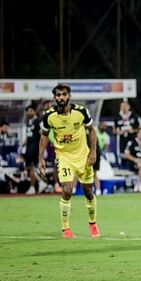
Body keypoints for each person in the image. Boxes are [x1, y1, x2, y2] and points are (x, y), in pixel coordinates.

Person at [38, 83, 99, 239]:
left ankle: (92, 223)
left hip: (83, 156)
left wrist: (93, 152)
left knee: (88, 191)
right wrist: (41, 158)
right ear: (54, 98)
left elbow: (92, 130)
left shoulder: (81, 111)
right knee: (66, 190)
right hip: (64, 156)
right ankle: (66, 229)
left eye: (64, 94)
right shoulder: (49, 115)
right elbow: (44, 135)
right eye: (58, 95)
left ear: (69, 96)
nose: (61, 98)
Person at [24, 104, 48, 195]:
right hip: (29, 146)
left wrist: (42, 147)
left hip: (35, 146)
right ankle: (33, 186)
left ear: (34, 111)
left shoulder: (38, 121)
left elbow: (42, 133)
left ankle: (41, 183)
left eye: (30, 111)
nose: (28, 113)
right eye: (27, 111)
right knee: (30, 167)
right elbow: (28, 134)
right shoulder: (28, 122)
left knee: (33, 166)